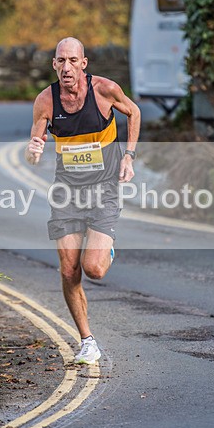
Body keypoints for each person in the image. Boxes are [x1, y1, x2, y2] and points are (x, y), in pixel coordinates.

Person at [25, 37, 140, 364]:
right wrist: (33, 152)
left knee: (94, 269)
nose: (67, 68)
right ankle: (87, 340)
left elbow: (134, 112)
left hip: (103, 189)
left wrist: (128, 156)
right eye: (61, 61)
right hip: (67, 192)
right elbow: (34, 148)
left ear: (84, 64)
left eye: (73, 61)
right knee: (68, 269)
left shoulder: (105, 90)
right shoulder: (46, 101)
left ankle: (104, 247)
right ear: (54, 65)